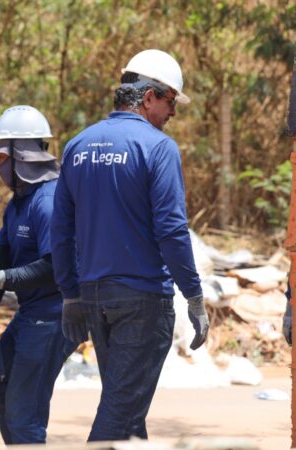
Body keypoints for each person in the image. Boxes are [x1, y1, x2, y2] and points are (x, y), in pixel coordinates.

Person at [49, 49, 209, 441]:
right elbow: (171, 231)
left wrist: (71, 294)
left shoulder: (77, 146)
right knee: (119, 414)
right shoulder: (157, 148)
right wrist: (194, 296)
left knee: (128, 415)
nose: (173, 113)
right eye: (171, 102)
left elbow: (61, 229)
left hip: (95, 298)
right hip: (142, 301)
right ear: (149, 97)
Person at [0, 105, 77, 444]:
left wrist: (0, 280)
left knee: (24, 412)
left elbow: (56, 267)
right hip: (31, 314)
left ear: (22, 155)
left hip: (54, 316)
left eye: (1, 157)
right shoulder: (16, 205)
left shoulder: (48, 201)